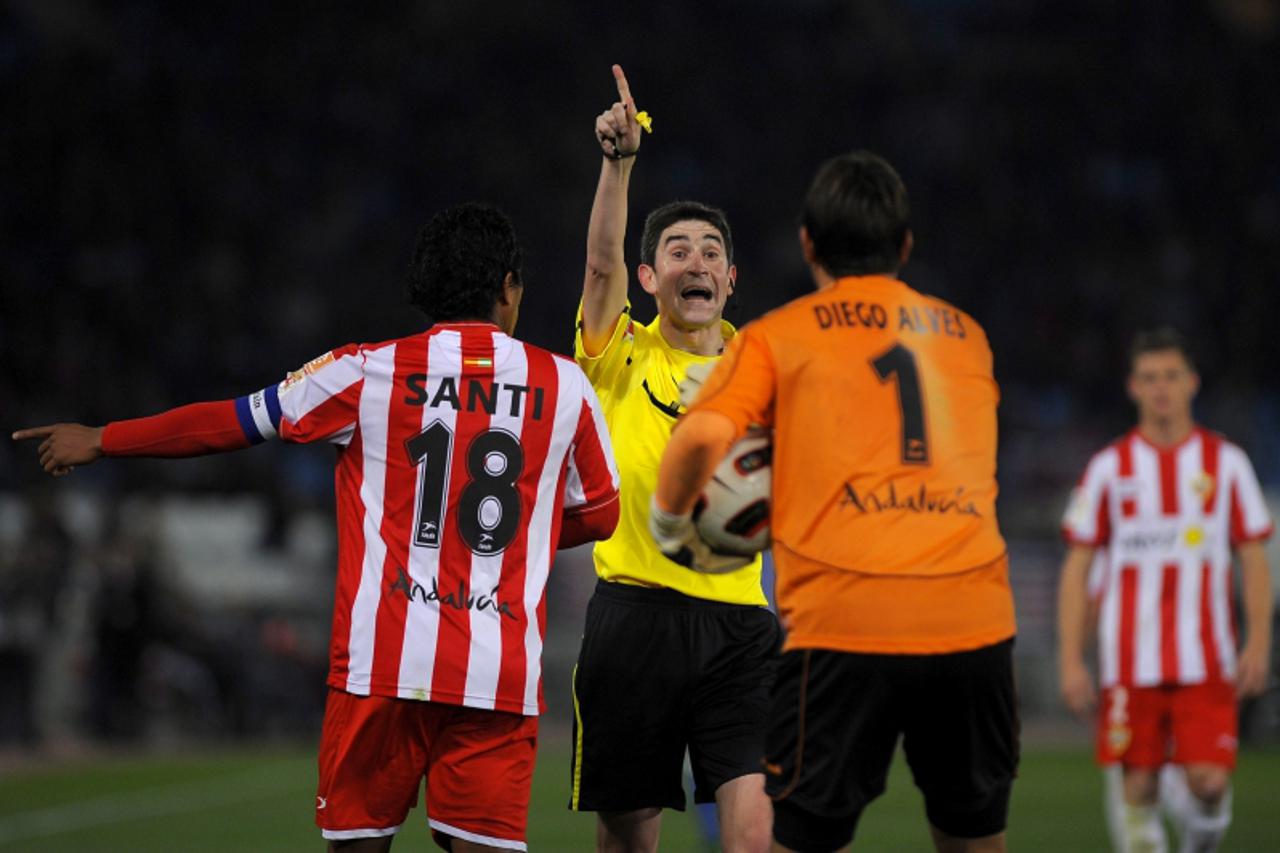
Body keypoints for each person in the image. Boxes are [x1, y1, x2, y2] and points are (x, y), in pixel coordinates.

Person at [15, 203, 621, 853]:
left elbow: (234, 421)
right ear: (508, 286)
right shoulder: (564, 385)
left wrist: (105, 438)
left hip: (379, 668)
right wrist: (516, 541)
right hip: (495, 669)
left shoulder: (365, 370)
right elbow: (602, 511)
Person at [651, 150, 1019, 852]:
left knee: (803, 836)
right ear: (905, 246)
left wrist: (671, 521)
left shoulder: (778, 336)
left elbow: (699, 435)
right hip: (971, 616)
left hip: (844, 619)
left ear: (807, 243)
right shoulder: (967, 336)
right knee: (974, 836)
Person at [568, 65, 779, 853]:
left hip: (741, 625)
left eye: (712, 251)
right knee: (630, 839)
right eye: (678, 251)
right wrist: (618, 165)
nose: (697, 262)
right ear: (651, 277)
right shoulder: (620, 354)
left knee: (756, 833)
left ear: (731, 278)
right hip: (636, 621)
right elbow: (599, 268)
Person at [1058, 328, 1273, 853]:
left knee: (1210, 782)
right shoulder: (1108, 469)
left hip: (1208, 660)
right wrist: (1070, 660)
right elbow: (1076, 569)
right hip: (1130, 665)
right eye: (1150, 378)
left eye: (1171, 376)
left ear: (1192, 382)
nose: (1161, 389)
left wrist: (1260, 641)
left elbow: (1253, 557)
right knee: (1140, 787)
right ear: (1133, 387)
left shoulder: (1227, 464)